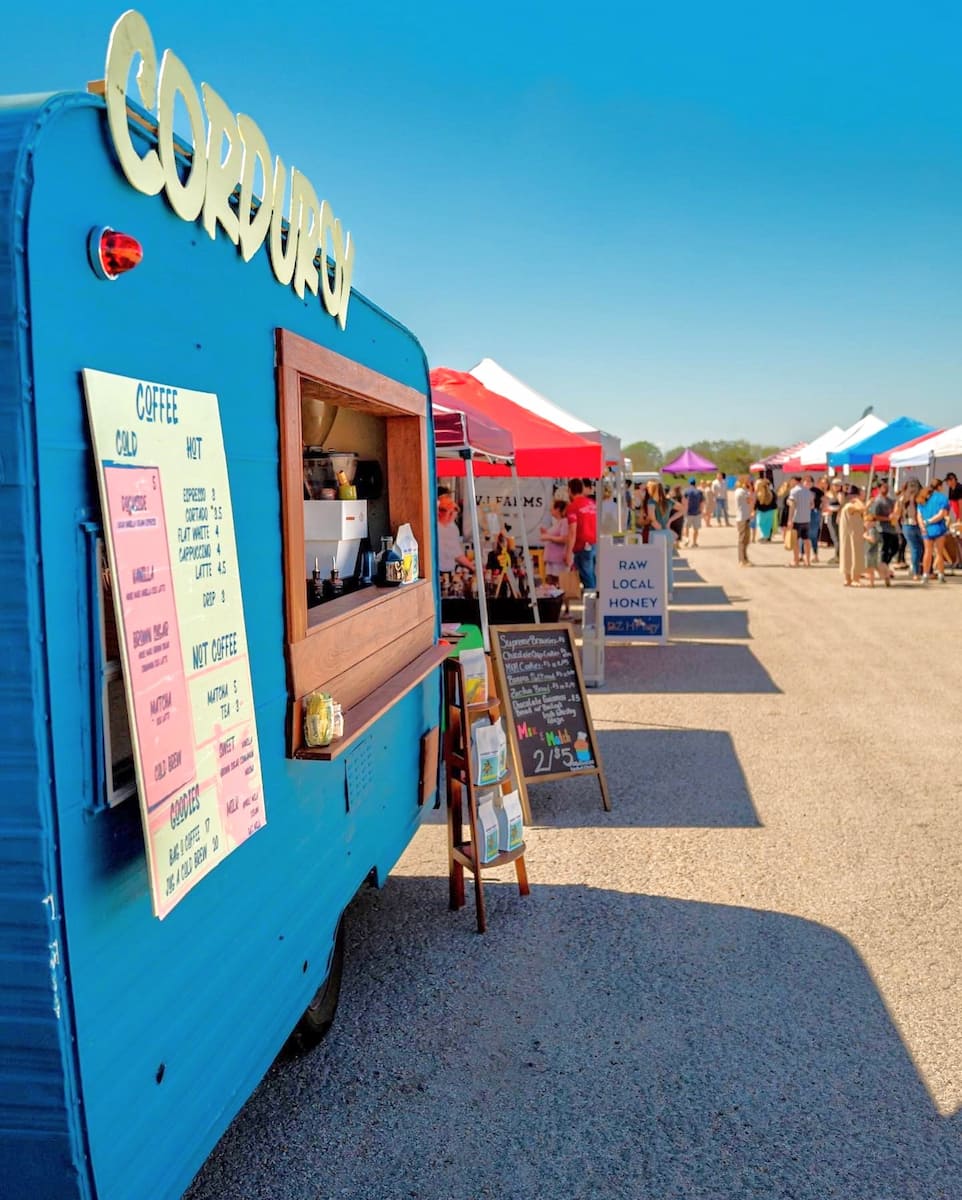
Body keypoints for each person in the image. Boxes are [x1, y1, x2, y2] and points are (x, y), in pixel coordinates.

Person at [564, 477, 597, 589]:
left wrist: (568, 553)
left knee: (587, 577)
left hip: (582, 546)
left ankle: (592, 599)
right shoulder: (592, 503)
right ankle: (596, 596)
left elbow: (572, 531)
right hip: (594, 543)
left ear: (570, 490)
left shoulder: (572, 507)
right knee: (592, 575)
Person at [917, 478, 951, 583]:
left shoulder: (922, 496)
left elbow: (919, 514)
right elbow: (941, 514)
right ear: (939, 487)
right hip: (938, 528)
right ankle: (941, 574)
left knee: (927, 551)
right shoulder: (942, 498)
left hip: (926, 529)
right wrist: (929, 521)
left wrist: (922, 525)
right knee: (939, 552)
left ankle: (925, 575)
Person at [437, 493, 474, 577]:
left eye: (453, 514)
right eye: (449, 512)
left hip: (449, 571)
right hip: (437, 572)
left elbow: (456, 552)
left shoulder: (453, 528)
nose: (451, 517)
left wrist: (471, 566)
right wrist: (471, 566)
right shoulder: (434, 528)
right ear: (440, 512)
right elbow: (456, 553)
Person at [867, 480, 898, 582]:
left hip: (891, 528)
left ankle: (884, 565)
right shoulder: (877, 501)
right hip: (881, 528)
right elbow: (874, 516)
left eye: (887, 487)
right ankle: (883, 569)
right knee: (884, 549)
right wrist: (887, 518)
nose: (886, 489)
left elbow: (896, 509)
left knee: (895, 547)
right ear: (879, 488)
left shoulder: (890, 500)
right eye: (884, 487)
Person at [838, 485, 867, 586]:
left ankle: (848, 579)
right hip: (853, 535)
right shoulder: (850, 506)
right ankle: (855, 579)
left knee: (848, 555)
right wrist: (858, 500)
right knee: (855, 555)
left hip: (850, 534)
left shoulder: (847, 506)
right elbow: (863, 508)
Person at [786, 475, 814, 567]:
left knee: (795, 541)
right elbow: (812, 505)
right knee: (806, 540)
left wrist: (789, 519)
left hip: (796, 519)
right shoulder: (809, 492)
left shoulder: (794, 491)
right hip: (807, 519)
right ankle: (808, 561)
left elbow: (792, 506)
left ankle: (796, 561)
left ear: (795, 481)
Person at [734, 476, 754, 566]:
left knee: (746, 540)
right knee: (742, 540)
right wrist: (751, 489)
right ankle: (741, 560)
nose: (748, 482)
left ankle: (745, 559)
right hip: (742, 518)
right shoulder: (741, 491)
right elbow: (750, 500)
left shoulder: (742, 491)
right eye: (747, 481)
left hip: (745, 517)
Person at [823, 478, 844, 562]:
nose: (836, 486)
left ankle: (838, 556)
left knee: (836, 537)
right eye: (835, 485)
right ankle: (837, 555)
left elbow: (841, 506)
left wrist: (838, 515)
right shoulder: (833, 494)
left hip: (835, 516)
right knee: (834, 536)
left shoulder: (840, 494)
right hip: (830, 515)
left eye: (838, 485)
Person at [805, 474, 824, 562]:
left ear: (812, 482)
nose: (807, 483)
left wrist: (822, 509)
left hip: (814, 513)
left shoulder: (817, 491)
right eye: (805, 481)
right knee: (803, 535)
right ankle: (802, 554)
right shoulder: (800, 491)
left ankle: (815, 554)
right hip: (803, 513)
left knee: (813, 534)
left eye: (809, 481)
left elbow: (824, 500)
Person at [682, 477, 705, 547]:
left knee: (686, 527)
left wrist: (683, 511)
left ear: (689, 483)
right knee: (696, 529)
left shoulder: (686, 491)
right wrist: (701, 511)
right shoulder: (699, 492)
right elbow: (702, 503)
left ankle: (687, 539)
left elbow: (683, 502)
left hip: (688, 513)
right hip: (697, 513)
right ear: (695, 484)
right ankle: (694, 543)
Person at [754, 474, 777, 541]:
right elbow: (775, 500)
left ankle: (764, 536)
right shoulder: (771, 493)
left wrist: (754, 509)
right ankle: (766, 536)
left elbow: (756, 503)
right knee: (767, 524)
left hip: (762, 511)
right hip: (770, 510)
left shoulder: (759, 493)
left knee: (761, 524)